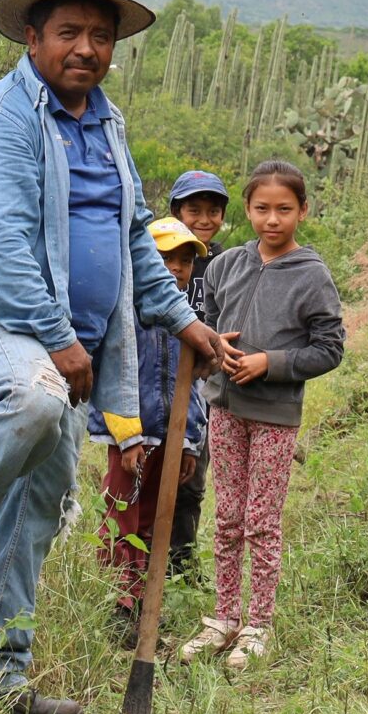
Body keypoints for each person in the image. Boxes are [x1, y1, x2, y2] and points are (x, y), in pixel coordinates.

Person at [0, 0, 229, 714]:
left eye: (100, 36)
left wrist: (183, 320)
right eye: (69, 31)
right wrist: (58, 338)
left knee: (36, 509)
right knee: (35, 402)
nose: (86, 48)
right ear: (32, 35)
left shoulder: (107, 123)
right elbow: (1, 247)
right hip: (4, 325)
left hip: (81, 348)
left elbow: (134, 237)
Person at [179, 161, 344, 670]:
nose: (272, 219)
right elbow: (207, 324)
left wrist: (269, 363)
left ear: (303, 211)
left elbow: (329, 348)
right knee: (227, 516)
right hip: (224, 408)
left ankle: (258, 624)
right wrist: (217, 349)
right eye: (262, 208)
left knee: (261, 520)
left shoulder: (312, 275)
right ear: (248, 210)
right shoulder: (226, 264)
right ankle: (224, 617)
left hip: (274, 415)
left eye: (284, 209)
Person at [92, 218, 209, 642]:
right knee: (121, 516)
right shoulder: (125, 315)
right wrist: (127, 436)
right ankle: (118, 601)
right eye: (165, 258)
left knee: (153, 521)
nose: (176, 268)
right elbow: (113, 377)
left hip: (169, 439)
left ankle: (144, 600)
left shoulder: (186, 322)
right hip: (132, 439)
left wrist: (190, 441)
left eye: (185, 260)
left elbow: (190, 387)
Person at [164, 169, 231, 571]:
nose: (205, 219)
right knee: (145, 476)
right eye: (194, 210)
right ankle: (133, 566)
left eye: (213, 211)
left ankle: (180, 566)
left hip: (202, 391)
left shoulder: (226, 263)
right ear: (176, 212)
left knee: (190, 480)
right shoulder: (154, 254)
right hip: (156, 382)